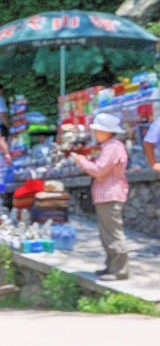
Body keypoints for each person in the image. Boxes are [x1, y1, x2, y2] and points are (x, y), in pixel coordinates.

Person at [70, 111, 132, 281]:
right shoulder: (110, 147)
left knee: (113, 233)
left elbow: (98, 171)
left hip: (110, 195)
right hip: (106, 195)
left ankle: (120, 270)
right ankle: (111, 266)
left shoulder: (113, 148)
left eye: (98, 131)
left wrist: (81, 160)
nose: (96, 134)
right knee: (106, 233)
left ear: (107, 132)